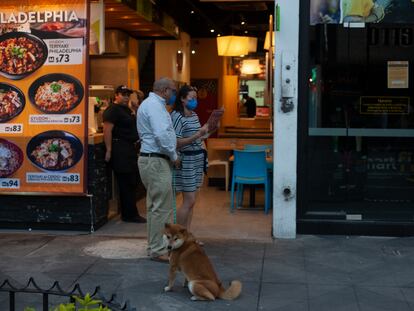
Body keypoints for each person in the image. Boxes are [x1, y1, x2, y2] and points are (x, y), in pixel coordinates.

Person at [137, 77, 180, 263]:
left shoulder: (152, 104)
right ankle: (157, 249)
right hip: (156, 160)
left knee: (155, 207)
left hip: (151, 160)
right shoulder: (154, 106)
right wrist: (174, 155)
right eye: (174, 91)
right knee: (161, 208)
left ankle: (154, 246)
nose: (174, 95)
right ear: (165, 90)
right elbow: (161, 135)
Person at [103, 85, 146, 223]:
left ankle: (129, 212)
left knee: (131, 181)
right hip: (119, 148)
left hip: (129, 148)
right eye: (123, 94)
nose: (126, 96)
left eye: (127, 94)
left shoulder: (126, 109)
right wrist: (109, 150)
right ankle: (129, 215)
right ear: (116, 95)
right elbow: (107, 131)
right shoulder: (112, 110)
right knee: (126, 182)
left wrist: (136, 108)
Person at [171, 85, 209, 234]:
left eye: (196, 98)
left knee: (192, 203)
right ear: (182, 99)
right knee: (189, 200)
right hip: (186, 161)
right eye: (191, 98)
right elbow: (176, 142)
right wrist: (197, 135)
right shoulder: (176, 116)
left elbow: (199, 137)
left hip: (198, 159)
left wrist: (209, 128)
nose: (195, 101)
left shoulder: (194, 115)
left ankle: (187, 235)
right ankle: (178, 236)